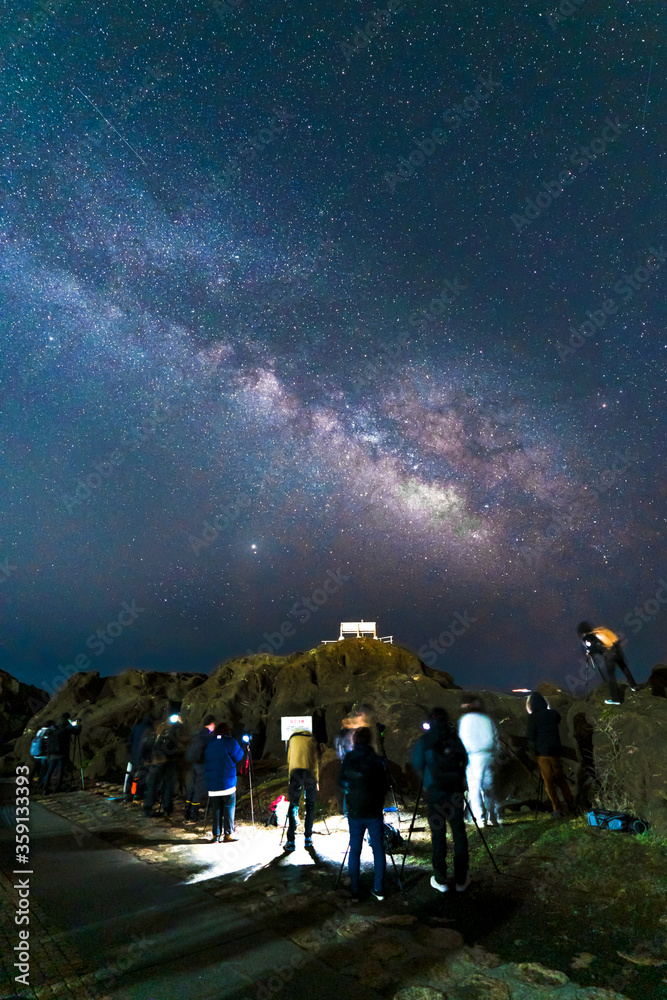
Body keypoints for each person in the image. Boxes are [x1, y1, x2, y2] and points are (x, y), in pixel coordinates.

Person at [412, 707, 471, 893]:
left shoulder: (425, 740)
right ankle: (461, 879)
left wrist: (427, 782)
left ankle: (441, 879)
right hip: (454, 793)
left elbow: (417, 764)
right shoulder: (454, 739)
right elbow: (465, 760)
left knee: (438, 835)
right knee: (459, 833)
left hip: (436, 793)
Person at [339, 727, 390, 902]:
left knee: (355, 850)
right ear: (369, 740)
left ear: (355, 740)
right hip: (374, 812)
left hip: (355, 812)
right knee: (378, 849)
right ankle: (379, 889)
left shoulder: (349, 758)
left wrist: (350, 794)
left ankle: (355, 891)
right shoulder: (377, 760)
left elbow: (341, 782)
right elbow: (385, 786)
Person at [525, 692, 575, 817]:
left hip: (542, 753)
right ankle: (571, 806)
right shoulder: (553, 714)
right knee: (561, 779)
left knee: (548, 782)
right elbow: (557, 720)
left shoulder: (533, 718)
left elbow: (530, 736)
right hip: (555, 751)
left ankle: (557, 809)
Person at [458, 696, 502, 827]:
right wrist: (495, 754)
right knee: (489, 788)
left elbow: (462, 740)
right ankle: (493, 817)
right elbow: (495, 738)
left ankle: (480, 819)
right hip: (489, 756)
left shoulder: (465, 720)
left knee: (475, 789)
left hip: (473, 757)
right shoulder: (487, 719)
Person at [577, 621, 638, 705]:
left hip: (609, 654)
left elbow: (596, 648)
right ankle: (634, 686)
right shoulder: (601, 630)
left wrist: (590, 652)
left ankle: (615, 699)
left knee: (611, 676)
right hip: (617, 650)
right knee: (623, 667)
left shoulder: (589, 637)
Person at [143, 712, 188, 818]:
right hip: (170, 762)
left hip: (157, 761)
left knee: (152, 785)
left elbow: (152, 745)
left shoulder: (164, 730)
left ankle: (148, 809)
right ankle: (167, 809)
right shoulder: (180, 731)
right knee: (168, 786)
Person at [204, 723, 244, 842]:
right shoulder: (230, 742)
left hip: (212, 784)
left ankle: (216, 836)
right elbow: (239, 756)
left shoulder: (209, 744)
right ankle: (228, 834)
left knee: (215, 809)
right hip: (227, 783)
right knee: (228, 808)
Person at [284, 728, 321, 851]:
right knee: (310, 805)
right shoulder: (313, 740)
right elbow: (316, 761)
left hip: (296, 773)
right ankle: (308, 838)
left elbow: (289, 759)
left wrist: (290, 777)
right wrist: (317, 780)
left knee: (293, 805)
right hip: (310, 773)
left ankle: (290, 841)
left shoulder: (293, 739)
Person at [184, 715, 216, 820]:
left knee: (192, 787)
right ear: (211, 724)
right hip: (203, 765)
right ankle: (194, 813)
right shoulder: (209, 737)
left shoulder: (197, 735)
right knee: (199, 788)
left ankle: (187, 810)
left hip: (194, 764)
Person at [39, 714, 74, 795]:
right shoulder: (65, 730)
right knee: (60, 771)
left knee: (49, 771)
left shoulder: (54, 730)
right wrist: (77, 725)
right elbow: (76, 731)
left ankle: (45, 788)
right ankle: (58, 787)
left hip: (52, 754)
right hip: (61, 754)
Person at [125, 714, 154, 803]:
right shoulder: (150, 730)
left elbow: (129, 741)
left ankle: (129, 794)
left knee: (132, 775)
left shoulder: (135, 728)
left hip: (134, 756)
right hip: (144, 757)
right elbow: (150, 745)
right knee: (142, 776)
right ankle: (138, 793)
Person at [29, 719, 55, 787]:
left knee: (35, 768)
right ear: (51, 725)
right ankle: (41, 783)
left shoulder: (39, 731)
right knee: (43, 769)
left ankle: (29, 781)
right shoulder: (49, 731)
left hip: (37, 753)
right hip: (44, 754)